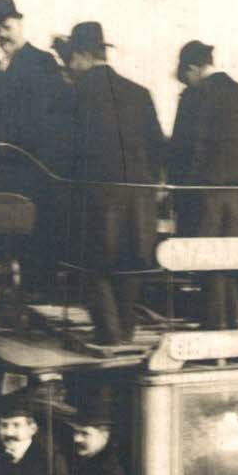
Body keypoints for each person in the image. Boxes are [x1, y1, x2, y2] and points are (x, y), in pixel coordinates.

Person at [58, 21, 165, 345]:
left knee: (93, 265)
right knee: (130, 264)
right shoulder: (139, 92)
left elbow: (63, 149)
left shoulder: (74, 94)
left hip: (96, 195)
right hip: (140, 196)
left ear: (81, 55)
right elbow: (158, 146)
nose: (69, 67)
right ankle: (126, 332)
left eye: (70, 60)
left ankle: (109, 334)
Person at [168, 40, 238, 328]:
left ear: (192, 68)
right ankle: (234, 321)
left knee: (210, 265)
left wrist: (176, 194)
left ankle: (217, 327)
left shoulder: (194, 96)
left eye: (185, 75)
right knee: (234, 260)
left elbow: (182, 150)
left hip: (206, 194)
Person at [0, 0, 71, 295]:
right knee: (17, 239)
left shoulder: (41, 61)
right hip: (12, 171)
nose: (2, 35)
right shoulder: (5, 67)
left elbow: (53, 117)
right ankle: (27, 296)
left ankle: (41, 295)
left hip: (37, 167)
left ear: (20, 24)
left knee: (39, 237)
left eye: (7, 28)